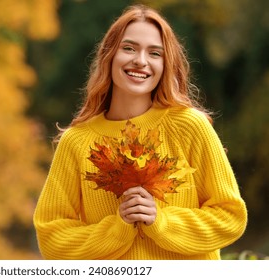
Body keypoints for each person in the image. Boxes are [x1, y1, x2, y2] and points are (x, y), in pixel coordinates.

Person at [33, 4, 247, 260]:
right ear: (109, 55)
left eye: (155, 53)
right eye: (129, 48)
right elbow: (52, 238)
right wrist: (117, 229)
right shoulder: (77, 142)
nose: (141, 61)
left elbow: (230, 217)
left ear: (166, 64)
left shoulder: (190, 126)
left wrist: (162, 221)